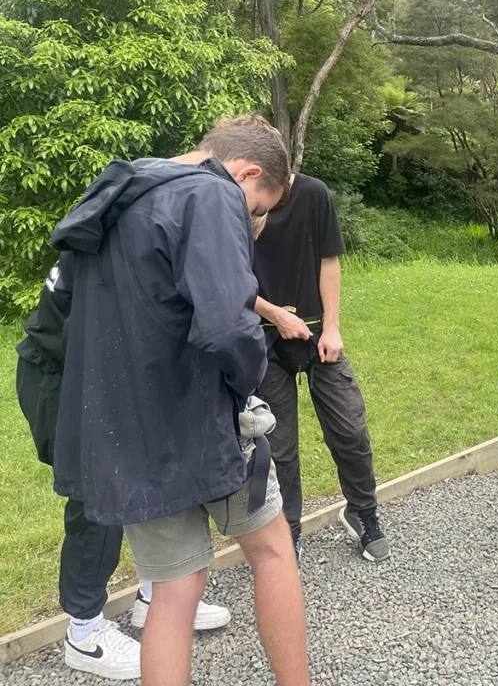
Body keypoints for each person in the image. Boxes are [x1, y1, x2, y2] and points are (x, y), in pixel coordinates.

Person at [49, 123, 311, 685]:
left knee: (174, 589)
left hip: (128, 431)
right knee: (271, 551)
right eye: (256, 207)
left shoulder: (116, 198)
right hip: (204, 418)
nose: (251, 218)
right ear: (247, 173)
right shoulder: (211, 193)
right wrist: (249, 384)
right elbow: (227, 326)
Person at [15, 253, 234, 680]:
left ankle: (154, 595)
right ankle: (84, 633)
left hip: (97, 365)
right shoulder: (116, 235)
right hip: (61, 372)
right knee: (97, 491)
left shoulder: (135, 226)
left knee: (146, 469)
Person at [252, 165, 390, 562]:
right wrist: (275, 315)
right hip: (264, 337)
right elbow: (229, 280)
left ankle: (362, 512)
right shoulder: (238, 200)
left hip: (317, 334)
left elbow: (329, 261)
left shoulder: (314, 194)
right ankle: (287, 531)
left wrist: (331, 327)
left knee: (350, 428)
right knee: (278, 447)